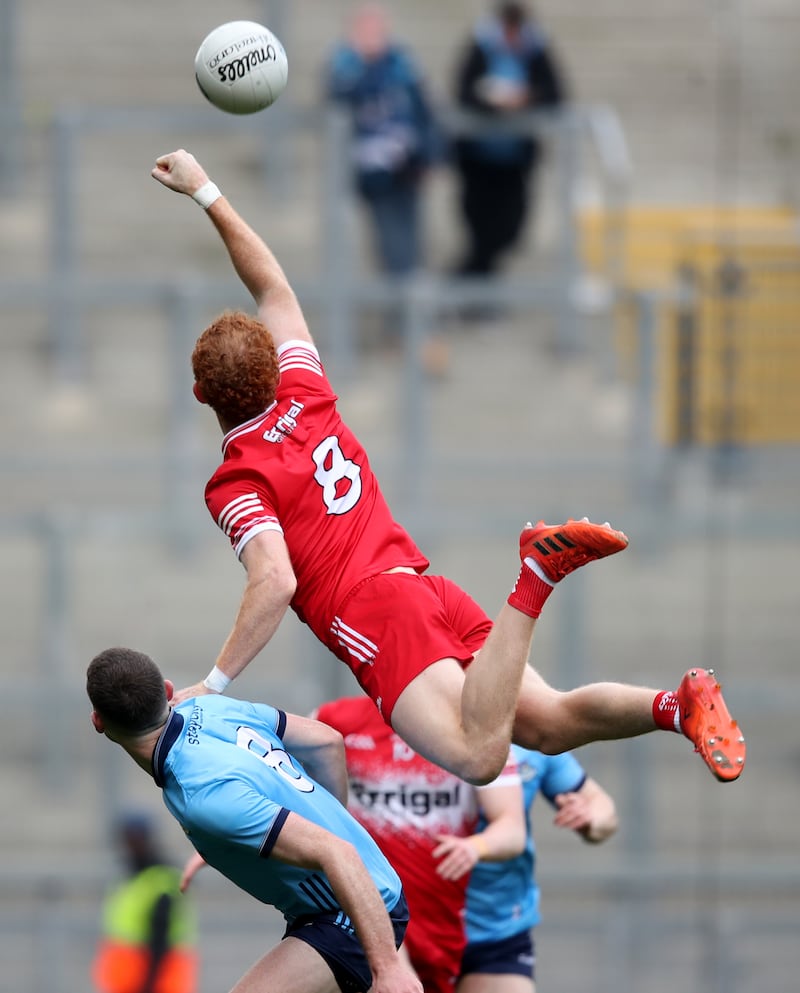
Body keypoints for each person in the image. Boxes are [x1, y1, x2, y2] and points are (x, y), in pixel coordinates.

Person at [149, 146, 746, 789]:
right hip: (419, 586)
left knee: (477, 758)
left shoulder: (237, 478)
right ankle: (676, 706)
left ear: (199, 394)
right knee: (543, 723)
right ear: (272, 364)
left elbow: (275, 582)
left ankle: (537, 574)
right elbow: (273, 287)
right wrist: (206, 190)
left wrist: (210, 686)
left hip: (372, 615)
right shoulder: (305, 389)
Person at [86, 646, 423, 993]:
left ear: (98, 721)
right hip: (354, 894)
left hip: (351, 913)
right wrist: (308, 828)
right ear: (168, 691)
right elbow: (326, 741)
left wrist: (388, 968)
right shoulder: (209, 706)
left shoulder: (201, 794)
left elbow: (335, 852)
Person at [312, 695, 526, 993]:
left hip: (441, 916)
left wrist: (475, 848)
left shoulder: (475, 729)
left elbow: (512, 828)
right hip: (369, 903)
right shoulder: (334, 720)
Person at [458, 745, 618, 993]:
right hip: (414, 930)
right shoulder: (415, 730)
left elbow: (603, 809)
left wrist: (589, 818)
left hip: (500, 929)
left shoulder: (531, 741)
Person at [452, 1, 567, 279]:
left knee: (509, 230)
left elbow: (555, 94)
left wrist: (527, 98)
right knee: (480, 228)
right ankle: (476, 290)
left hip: (516, 161)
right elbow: (464, 92)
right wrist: (493, 103)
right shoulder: (481, 46)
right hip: (478, 159)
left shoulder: (536, 50)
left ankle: (469, 282)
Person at [325, 3, 440, 278]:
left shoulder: (403, 65)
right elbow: (338, 101)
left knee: (411, 242)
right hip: (372, 173)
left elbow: (424, 112)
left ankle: (408, 304)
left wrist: (428, 156)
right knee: (390, 242)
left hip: (406, 167)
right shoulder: (345, 68)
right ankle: (399, 306)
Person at [91, 813, 198, 993]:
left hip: (155, 984)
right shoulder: (129, 877)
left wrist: (148, 985)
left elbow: (160, 940)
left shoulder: (162, 880)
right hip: (127, 983)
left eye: (136, 838)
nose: (131, 846)